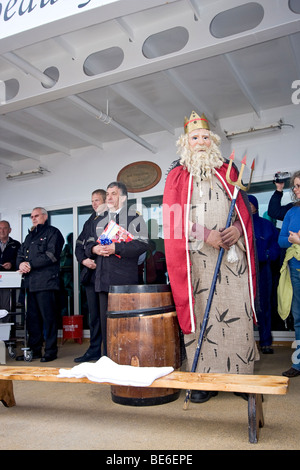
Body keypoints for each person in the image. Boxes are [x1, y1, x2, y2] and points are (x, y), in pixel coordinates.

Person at [163, 111, 259, 403]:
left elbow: (243, 213)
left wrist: (235, 232)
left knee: (237, 313)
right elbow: (171, 218)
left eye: (205, 137)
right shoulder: (177, 177)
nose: (201, 142)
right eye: (195, 138)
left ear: (212, 141)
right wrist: (207, 234)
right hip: (197, 259)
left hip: (232, 259)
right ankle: (205, 379)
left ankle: (241, 378)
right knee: (203, 313)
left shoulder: (229, 171)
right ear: (186, 143)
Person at [84, 181, 149, 357]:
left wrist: (116, 248)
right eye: (108, 193)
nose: (109, 197)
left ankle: (126, 359)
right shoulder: (99, 218)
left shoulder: (134, 218)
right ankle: (108, 359)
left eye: (113, 193)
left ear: (124, 198)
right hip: (102, 280)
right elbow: (88, 241)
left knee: (124, 324)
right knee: (106, 325)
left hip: (123, 282)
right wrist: (93, 249)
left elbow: (143, 244)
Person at [17, 207, 64, 362]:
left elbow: (51, 255)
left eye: (36, 216)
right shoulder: (30, 236)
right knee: (33, 320)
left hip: (46, 283)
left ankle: (50, 351)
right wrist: (21, 264)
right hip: (30, 284)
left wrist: (29, 264)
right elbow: (20, 254)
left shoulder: (53, 233)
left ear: (45, 216)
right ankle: (35, 350)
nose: (33, 218)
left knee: (49, 319)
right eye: (31, 216)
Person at [74, 189, 107, 363]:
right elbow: (78, 246)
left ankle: (108, 354)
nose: (94, 204)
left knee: (105, 317)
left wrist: (97, 261)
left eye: (97, 200)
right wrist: (84, 260)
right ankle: (94, 350)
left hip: (105, 276)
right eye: (92, 201)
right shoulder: (89, 221)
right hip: (90, 276)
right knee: (93, 317)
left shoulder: (111, 218)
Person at [248, 195, 281, 354]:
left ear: (255, 206)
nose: (248, 206)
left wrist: (268, 255)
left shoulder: (267, 225)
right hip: (245, 271)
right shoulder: (240, 225)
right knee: (246, 307)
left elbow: (276, 245)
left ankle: (266, 341)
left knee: (264, 306)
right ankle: (246, 344)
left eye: (250, 203)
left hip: (263, 270)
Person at [277, 171, 300, 378]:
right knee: (299, 317)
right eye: (294, 186)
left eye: (298, 186)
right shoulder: (292, 213)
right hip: (295, 269)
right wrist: (293, 241)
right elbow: (281, 240)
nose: (295, 189)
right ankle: (299, 364)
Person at [0, 220, 21, 311]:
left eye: (5, 228)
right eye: (0, 228)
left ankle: (6, 325)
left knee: (6, 306)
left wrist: (11, 264)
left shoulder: (16, 244)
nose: (2, 231)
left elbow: (20, 259)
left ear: (10, 230)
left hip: (8, 281)